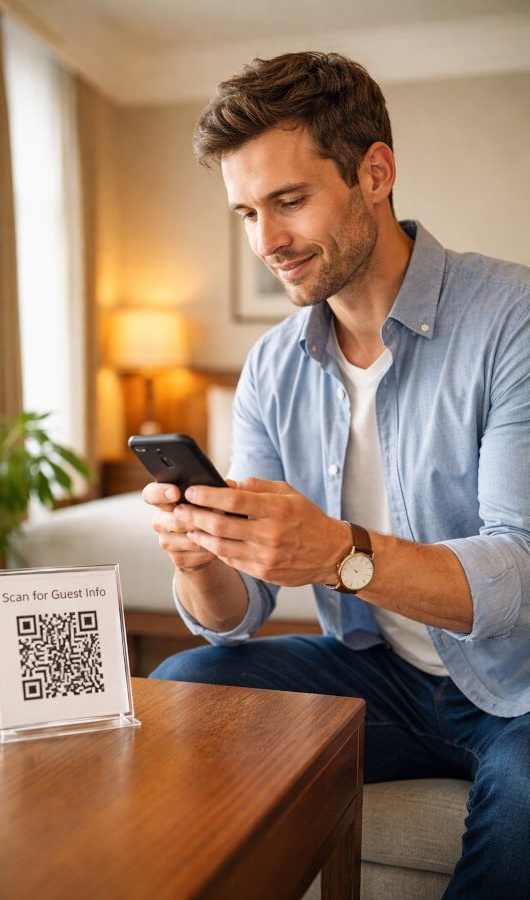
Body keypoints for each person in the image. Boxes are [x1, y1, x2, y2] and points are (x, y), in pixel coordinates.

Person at [144, 52, 530, 898]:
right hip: (381, 670)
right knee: (182, 691)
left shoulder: (513, 319)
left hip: (520, 680)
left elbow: (519, 575)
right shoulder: (272, 367)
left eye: (289, 201)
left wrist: (338, 554)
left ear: (375, 173)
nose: (266, 243)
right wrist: (201, 555)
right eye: (246, 212)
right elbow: (236, 616)